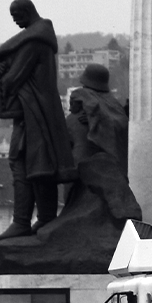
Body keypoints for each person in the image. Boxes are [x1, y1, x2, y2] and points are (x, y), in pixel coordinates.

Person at [0, 0, 75, 239]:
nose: (15, 21)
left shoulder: (34, 42)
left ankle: (22, 221)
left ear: (27, 12)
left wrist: (1, 76)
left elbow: (13, 78)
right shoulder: (40, 38)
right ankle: (45, 217)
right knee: (41, 166)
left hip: (33, 113)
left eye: (17, 16)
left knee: (22, 163)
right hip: (38, 111)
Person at [63, 63, 142, 223]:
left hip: (91, 162)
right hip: (96, 163)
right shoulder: (110, 105)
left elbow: (120, 125)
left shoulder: (103, 105)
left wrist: (97, 119)